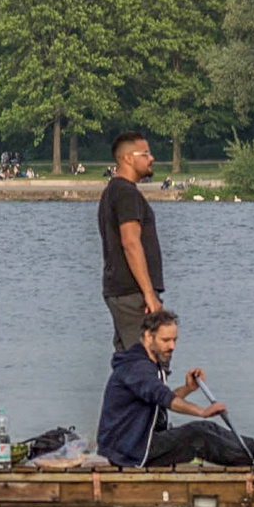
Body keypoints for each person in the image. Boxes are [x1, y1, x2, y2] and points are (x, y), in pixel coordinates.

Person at [96, 309, 254, 469]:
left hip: (137, 441)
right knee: (198, 436)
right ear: (148, 337)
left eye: (174, 340)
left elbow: (160, 400)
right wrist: (202, 411)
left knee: (208, 430)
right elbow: (163, 397)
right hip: (130, 449)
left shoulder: (147, 363)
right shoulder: (137, 368)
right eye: (166, 340)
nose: (172, 346)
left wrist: (188, 389)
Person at [98, 131, 163, 355]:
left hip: (120, 290)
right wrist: (148, 294)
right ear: (127, 158)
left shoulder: (112, 191)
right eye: (145, 154)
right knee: (147, 359)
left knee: (127, 361)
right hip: (131, 292)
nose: (151, 158)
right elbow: (130, 242)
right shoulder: (126, 193)